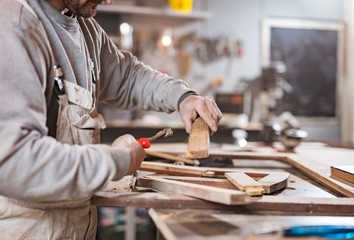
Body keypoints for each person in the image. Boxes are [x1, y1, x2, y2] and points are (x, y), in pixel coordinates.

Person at [0, 0, 222, 239]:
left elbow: (127, 78)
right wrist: (116, 160)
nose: (109, 1)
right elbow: (13, 161)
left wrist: (182, 97)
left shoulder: (85, 27)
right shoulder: (14, 25)